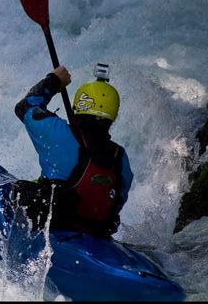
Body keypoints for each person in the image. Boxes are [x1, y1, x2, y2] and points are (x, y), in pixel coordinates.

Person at [13, 65, 133, 238]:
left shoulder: (58, 132)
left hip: (56, 228)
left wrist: (54, 80)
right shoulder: (120, 157)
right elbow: (116, 201)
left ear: (78, 108)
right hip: (96, 234)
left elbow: (25, 106)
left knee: (20, 190)